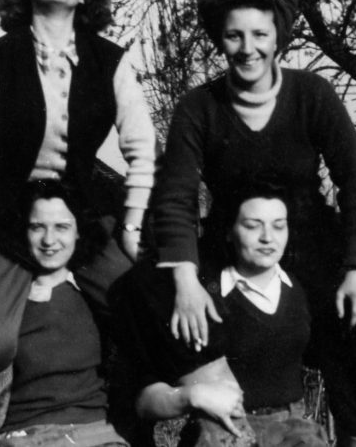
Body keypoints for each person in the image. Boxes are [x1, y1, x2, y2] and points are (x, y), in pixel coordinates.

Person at [150, 0, 356, 446]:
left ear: (278, 39)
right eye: (234, 36)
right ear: (219, 39)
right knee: (175, 315)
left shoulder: (312, 94)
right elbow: (176, 196)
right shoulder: (198, 107)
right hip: (231, 243)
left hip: (310, 240)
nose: (248, 49)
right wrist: (185, 281)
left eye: (259, 35)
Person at [0, 0, 155, 434]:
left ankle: (124, 424)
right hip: (8, 218)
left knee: (141, 309)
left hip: (82, 216)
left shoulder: (111, 61)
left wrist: (133, 224)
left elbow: (143, 149)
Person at [114, 186, 328, 447]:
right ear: (229, 231)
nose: (267, 237)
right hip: (224, 431)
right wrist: (191, 396)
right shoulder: (197, 295)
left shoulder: (300, 289)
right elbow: (147, 391)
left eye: (279, 226)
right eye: (252, 225)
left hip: (293, 433)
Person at [0, 181, 129, 447]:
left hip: (96, 431)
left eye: (62, 227)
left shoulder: (92, 293)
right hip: (25, 435)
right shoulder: (2, 301)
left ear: (79, 232)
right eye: (38, 227)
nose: (49, 240)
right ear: (24, 231)